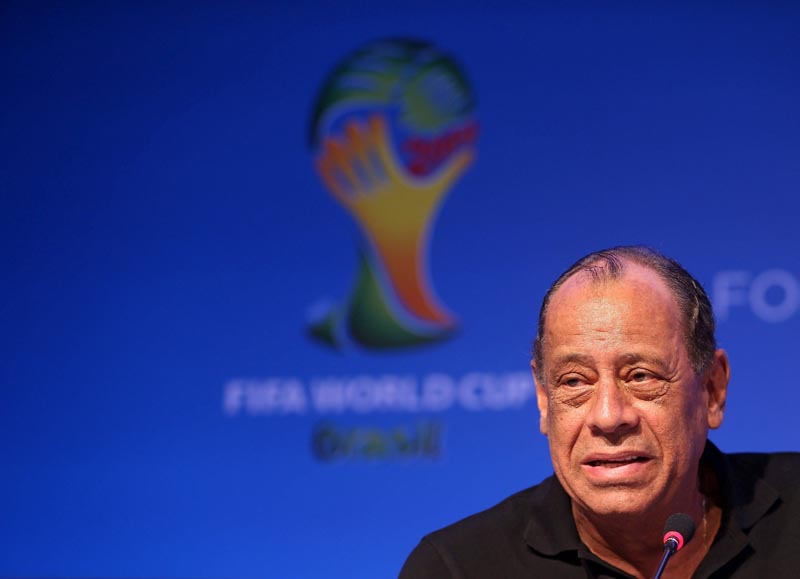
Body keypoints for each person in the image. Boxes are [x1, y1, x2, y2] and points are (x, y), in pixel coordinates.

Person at [399, 246, 800, 578]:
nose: (608, 417)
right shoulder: (458, 568)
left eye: (641, 376)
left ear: (712, 390)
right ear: (543, 400)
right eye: (574, 382)